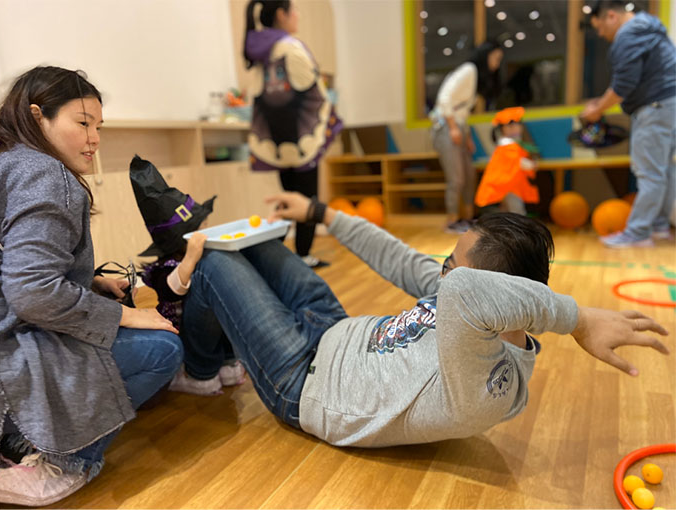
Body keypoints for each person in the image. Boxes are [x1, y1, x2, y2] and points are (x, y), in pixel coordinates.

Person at [178, 191, 669, 447]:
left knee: (213, 262)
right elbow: (399, 258)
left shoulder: (485, 387)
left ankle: (202, 371)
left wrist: (577, 319)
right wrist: (320, 211)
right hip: (331, 328)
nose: (442, 273)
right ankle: (225, 358)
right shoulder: (465, 294)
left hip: (303, 382)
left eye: (452, 266)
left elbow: (460, 288)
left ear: (494, 289)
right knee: (253, 240)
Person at [0, 66, 183, 507]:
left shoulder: (7, 161)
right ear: (38, 116)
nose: (94, 138)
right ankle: (59, 460)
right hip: (9, 352)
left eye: (99, 126)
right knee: (162, 350)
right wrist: (127, 314)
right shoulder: (46, 176)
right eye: (82, 123)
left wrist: (90, 279)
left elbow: (13, 260)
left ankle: (16, 436)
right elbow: (32, 291)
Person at [130, 156, 245, 395]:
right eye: (200, 230)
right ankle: (199, 375)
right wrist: (191, 258)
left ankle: (229, 364)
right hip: (189, 340)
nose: (206, 233)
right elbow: (173, 290)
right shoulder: (163, 269)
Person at [243, 0, 342, 268]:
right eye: (293, 10)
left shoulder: (261, 53)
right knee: (307, 202)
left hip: (276, 138)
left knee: (288, 198)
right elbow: (313, 89)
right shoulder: (290, 47)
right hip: (301, 137)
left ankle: (274, 256)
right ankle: (303, 255)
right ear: (281, 14)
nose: (297, 15)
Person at [581, 0, 676, 248]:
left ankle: (638, 232)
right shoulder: (650, 28)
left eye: (600, 27)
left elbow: (623, 86)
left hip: (654, 107)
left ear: (612, 16)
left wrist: (596, 109)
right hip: (669, 105)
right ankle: (659, 227)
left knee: (650, 172)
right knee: (664, 169)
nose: (601, 34)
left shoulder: (629, 35)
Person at [431, 40, 504, 234]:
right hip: (445, 126)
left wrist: (468, 136)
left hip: (459, 127)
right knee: (456, 178)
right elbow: (445, 98)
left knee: (469, 176)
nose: (497, 63)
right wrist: (453, 128)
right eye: (496, 58)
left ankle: (469, 219)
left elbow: (462, 113)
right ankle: (451, 221)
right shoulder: (468, 70)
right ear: (486, 56)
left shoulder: (475, 79)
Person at [475, 106, 539, 215]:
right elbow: (519, 162)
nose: (515, 128)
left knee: (506, 212)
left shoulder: (508, 144)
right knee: (517, 212)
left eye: (518, 124)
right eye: (511, 126)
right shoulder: (508, 146)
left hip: (509, 185)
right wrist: (532, 165)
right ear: (502, 129)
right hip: (508, 186)